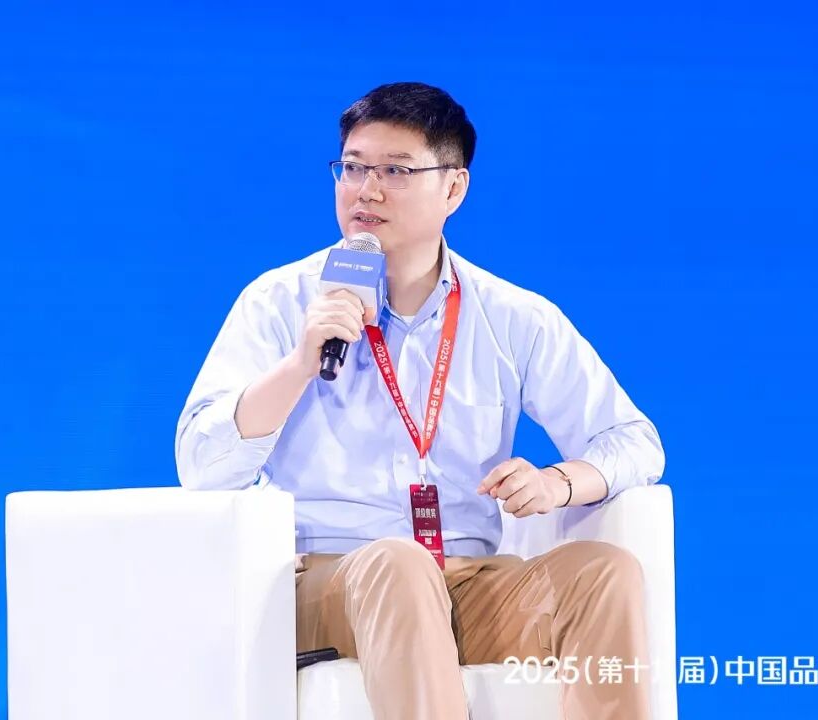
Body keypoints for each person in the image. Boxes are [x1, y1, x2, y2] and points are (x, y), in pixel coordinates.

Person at [175, 81, 665, 720]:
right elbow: (203, 466)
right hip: (324, 583)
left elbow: (635, 441)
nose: (366, 190)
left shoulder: (513, 317)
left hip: (464, 581)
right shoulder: (278, 302)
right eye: (353, 167)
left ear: (454, 189)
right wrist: (298, 366)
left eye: (396, 171)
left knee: (602, 573)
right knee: (398, 565)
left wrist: (559, 482)